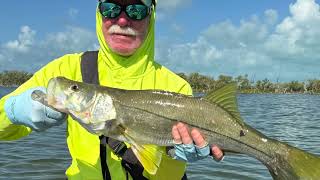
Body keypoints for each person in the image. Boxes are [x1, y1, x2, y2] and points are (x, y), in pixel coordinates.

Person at [0, 0, 223, 179]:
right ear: (99, 14)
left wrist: (174, 157)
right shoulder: (66, 70)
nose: (123, 20)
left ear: (151, 15)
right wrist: (13, 111)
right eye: (111, 8)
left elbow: (162, 174)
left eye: (136, 10)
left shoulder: (176, 87)